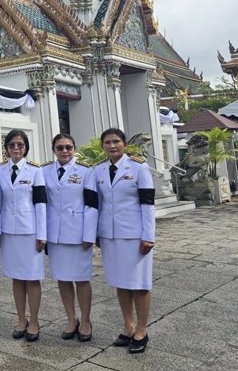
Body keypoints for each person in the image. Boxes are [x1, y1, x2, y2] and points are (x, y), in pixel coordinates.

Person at [94, 128, 155, 354]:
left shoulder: (138, 167)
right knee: (120, 281)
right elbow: (99, 204)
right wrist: (96, 233)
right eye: (107, 142)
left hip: (134, 234)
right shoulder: (99, 170)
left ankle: (142, 329)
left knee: (139, 284)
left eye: (116, 141)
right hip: (110, 234)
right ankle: (128, 326)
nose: (112, 146)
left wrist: (148, 235)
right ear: (103, 146)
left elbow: (147, 203)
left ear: (125, 144)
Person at [42, 134, 98, 342]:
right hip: (55, 234)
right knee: (63, 278)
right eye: (60, 147)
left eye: (68, 147)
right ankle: (71, 319)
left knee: (82, 279)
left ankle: (86, 321)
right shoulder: (44, 171)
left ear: (74, 149)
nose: (64, 151)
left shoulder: (85, 171)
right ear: (54, 150)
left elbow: (92, 204)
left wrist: (89, 234)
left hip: (77, 232)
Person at [0, 129, 46, 342]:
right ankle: (21, 319)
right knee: (16, 277)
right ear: (6, 148)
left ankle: (34, 321)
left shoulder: (35, 170)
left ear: (26, 147)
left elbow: (40, 203)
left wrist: (42, 233)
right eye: (12, 145)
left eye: (20, 145)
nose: (16, 148)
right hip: (9, 231)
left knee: (32, 277)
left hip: (30, 230)